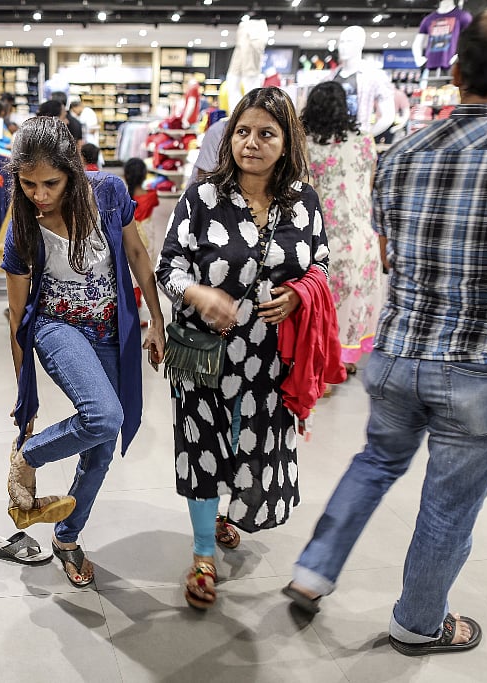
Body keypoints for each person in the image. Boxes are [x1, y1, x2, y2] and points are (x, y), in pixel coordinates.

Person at [286, 1, 487, 656]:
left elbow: (393, 251)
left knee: (376, 459)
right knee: (448, 504)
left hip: (401, 346)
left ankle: (315, 566)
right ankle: (417, 621)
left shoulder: (404, 152)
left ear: (455, 72)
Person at [156, 87, 329, 610]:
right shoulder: (202, 197)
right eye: (242, 132)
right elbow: (169, 266)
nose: (250, 143)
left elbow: (320, 261)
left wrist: (301, 295)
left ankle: (229, 514)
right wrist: (199, 294)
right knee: (204, 444)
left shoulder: (304, 201)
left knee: (251, 441)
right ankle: (204, 552)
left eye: (266, 133)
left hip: (270, 357)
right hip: (205, 352)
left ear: (287, 141)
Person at [2, 116, 166, 587]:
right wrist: (24, 395)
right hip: (58, 327)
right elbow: (18, 316)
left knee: (99, 450)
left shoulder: (110, 194)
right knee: (104, 416)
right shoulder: (23, 228)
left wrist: (156, 318)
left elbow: (136, 254)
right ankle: (28, 457)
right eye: (29, 183)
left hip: (113, 328)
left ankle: (67, 536)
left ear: (73, 170)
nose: (40, 193)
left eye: (50, 182)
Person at [300, 81, 381, 375]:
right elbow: (368, 187)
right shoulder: (365, 142)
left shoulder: (307, 145)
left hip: (326, 234)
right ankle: (345, 359)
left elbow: (305, 191)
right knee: (355, 297)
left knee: (324, 301)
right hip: (363, 233)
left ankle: (323, 363)